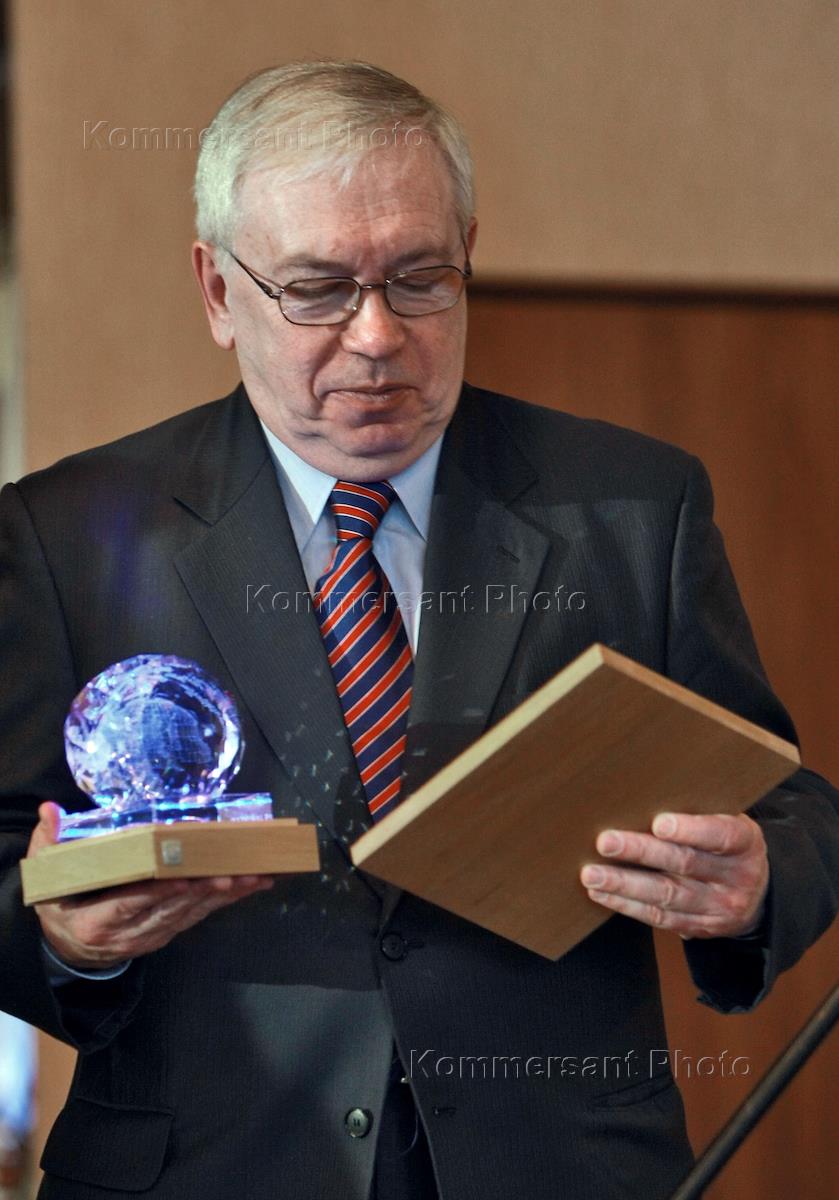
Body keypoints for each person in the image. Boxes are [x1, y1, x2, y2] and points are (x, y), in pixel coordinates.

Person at [0, 60, 837, 1200]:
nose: (377, 335)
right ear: (217, 291)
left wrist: (757, 879)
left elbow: (784, 799)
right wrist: (65, 940)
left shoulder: (633, 505)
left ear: (468, 257)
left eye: (419, 279)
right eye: (316, 289)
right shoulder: (68, 533)